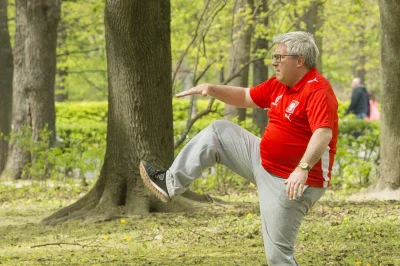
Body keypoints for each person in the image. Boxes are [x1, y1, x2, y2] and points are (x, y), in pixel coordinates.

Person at [139, 31, 338, 265]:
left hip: (291, 182)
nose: (273, 62)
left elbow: (323, 132)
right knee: (218, 132)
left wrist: (302, 168)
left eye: (279, 57)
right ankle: (169, 183)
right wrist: (213, 88)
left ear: (299, 60)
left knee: (278, 257)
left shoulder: (317, 90)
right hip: (260, 160)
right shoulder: (279, 84)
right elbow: (245, 96)